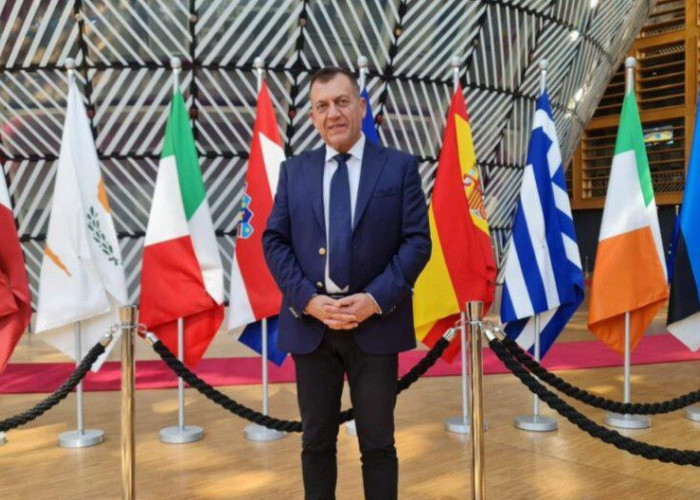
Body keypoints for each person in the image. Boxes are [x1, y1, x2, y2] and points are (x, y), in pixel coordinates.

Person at [262, 66, 431, 500]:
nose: (332, 114)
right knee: (316, 443)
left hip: (376, 325)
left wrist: (374, 299)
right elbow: (274, 241)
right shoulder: (294, 171)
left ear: (361, 105)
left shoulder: (398, 167)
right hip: (312, 327)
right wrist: (307, 299)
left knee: (378, 445)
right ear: (312, 117)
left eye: (341, 102)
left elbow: (417, 243)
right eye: (321, 106)